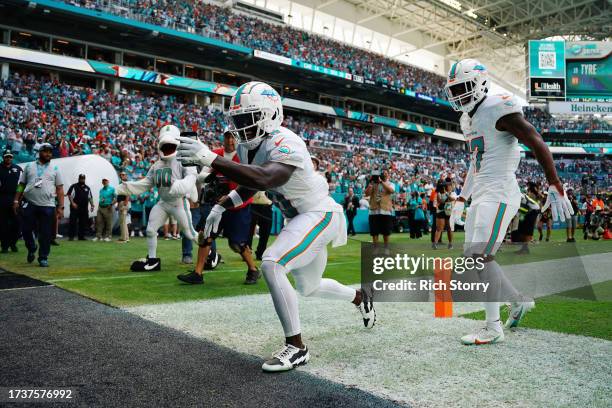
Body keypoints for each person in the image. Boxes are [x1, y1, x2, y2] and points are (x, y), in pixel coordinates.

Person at [176, 81, 375, 372]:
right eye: (238, 120)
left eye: (248, 118)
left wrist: (211, 158)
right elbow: (247, 184)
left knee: (271, 262)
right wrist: (222, 204)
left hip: (319, 213)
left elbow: (266, 178)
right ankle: (361, 297)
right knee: (309, 287)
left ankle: (296, 347)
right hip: (301, 218)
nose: (242, 126)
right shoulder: (248, 146)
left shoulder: (285, 140)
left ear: (270, 115)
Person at [446, 59, 572, 345]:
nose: (458, 95)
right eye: (453, 90)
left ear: (480, 83)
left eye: (463, 88)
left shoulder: (497, 107)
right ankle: (517, 301)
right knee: (474, 259)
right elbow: (474, 162)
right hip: (482, 192)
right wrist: (462, 196)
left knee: (480, 257)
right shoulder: (467, 119)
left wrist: (554, 181)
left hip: (501, 191)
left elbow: (535, 139)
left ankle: (492, 327)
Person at [178, 131, 260, 284]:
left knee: (237, 243)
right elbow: (203, 174)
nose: (230, 140)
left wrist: (228, 196)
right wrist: (206, 178)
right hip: (218, 206)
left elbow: (246, 184)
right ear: (223, 138)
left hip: (238, 206)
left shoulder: (243, 157)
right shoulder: (216, 153)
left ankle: (253, 269)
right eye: (227, 137)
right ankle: (198, 273)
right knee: (205, 236)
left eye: (233, 137)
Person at [115, 125, 198, 271]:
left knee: (190, 234)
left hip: (179, 203)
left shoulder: (183, 160)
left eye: (171, 145)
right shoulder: (156, 166)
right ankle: (152, 260)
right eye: (165, 145)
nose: (167, 148)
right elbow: (145, 184)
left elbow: (191, 178)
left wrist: (182, 187)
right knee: (150, 230)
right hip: (163, 202)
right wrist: (123, 188)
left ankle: (210, 254)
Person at [13, 143, 64, 267]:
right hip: (30, 203)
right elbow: (21, 184)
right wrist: (16, 200)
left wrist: (61, 207)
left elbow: (60, 188)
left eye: (50, 152)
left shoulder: (55, 168)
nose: (48, 154)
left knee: (45, 233)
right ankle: (31, 247)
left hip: (48, 205)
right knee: (25, 229)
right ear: (40, 152)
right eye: (46, 151)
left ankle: (43, 257)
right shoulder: (29, 166)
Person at [365, 169, 395, 248]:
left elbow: (391, 190)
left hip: (385, 210)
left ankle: (386, 249)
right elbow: (367, 194)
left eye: (386, 173)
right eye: (383, 173)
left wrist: (381, 182)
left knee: (386, 232)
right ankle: (376, 250)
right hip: (374, 211)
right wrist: (370, 184)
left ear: (388, 175)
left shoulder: (390, 183)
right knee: (374, 232)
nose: (385, 174)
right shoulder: (374, 184)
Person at [0, 150, 22, 253]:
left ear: (12, 158)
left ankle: (13, 243)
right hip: (2, 199)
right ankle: (4, 246)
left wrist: (18, 199)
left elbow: (22, 185)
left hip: (15, 199)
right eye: (6, 157)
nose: (8, 158)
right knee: (3, 224)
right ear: (3, 157)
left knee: (17, 223)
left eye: (10, 157)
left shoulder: (18, 169)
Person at [66, 174, 94, 241]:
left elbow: (90, 197)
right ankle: (71, 236)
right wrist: (72, 203)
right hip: (75, 207)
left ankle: (81, 236)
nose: (82, 180)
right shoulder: (74, 186)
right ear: (78, 179)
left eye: (83, 178)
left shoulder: (87, 188)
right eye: (81, 178)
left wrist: (92, 205)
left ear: (85, 179)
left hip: (84, 208)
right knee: (72, 222)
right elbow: (69, 195)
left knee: (83, 222)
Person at [248, 190, 273, 260]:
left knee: (265, 232)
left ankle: (261, 252)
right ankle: (247, 251)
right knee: (248, 230)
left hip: (267, 206)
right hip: (252, 205)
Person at [433, 179, 455, 249]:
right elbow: (440, 201)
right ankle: (435, 243)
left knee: (449, 228)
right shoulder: (438, 193)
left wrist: (446, 194)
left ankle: (450, 243)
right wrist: (445, 195)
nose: (449, 186)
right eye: (447, 185)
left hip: (449, 212)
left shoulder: (452, 193)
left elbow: (452, 199)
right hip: (441, 211)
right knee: (439, 228)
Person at [94, 178, 116, 242]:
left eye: (105, 180)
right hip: (100, 207)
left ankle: (108, 236)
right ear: (102, 182)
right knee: (98, 221)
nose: (104, 182)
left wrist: (111, 204)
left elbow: (116, 198)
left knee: (108, 222)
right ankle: (98, 236)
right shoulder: (101, 190)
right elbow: (101, 198)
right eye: (103, 181)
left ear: (108, 181)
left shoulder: (112, 189)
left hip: (108, 207)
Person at [117, 172, 130, 243]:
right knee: (123, 221)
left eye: (123, 175)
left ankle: (124, 238)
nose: (121, 176)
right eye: (121, 175)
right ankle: (126, 237)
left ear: (126, 176)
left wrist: (126, 203)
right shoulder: (122, 183)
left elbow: (128, 193)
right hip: (120, 202)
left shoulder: (126, 183)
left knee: (123, 221)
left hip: (123, 202)